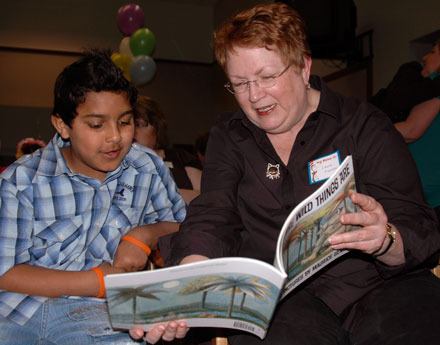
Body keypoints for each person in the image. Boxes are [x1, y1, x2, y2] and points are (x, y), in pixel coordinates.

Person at [131, 3, 440, 345]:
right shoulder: (231, 137)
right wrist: (190, 285)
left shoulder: (364, 126)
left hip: (379, 285)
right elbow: (213, 214)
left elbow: (418, 224)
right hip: (284, 300)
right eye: (240, 83)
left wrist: (386, 238)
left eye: (267, 77)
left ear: (303, 67)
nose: (254, 96)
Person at [0, 49, 186, 344]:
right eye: (97, 125)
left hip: (98, 313)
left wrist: (145, 235)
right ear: (63, 125)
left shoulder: (146, 168)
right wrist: (100, 281)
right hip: (17, 308)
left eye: (125, 122)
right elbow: (6, 272)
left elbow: (182, 227)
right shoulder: (22, 181)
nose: (115, 137)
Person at [394, 40, 440, 219]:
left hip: (432, 204)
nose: (424, 57)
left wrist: (368, 132)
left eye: (433, 52)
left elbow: (411, 130)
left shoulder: (435, 87)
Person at [134, 95, 202, 204]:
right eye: (126, 124)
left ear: (157, 127)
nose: (133, 132)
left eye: (138, 124)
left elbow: (208, 199)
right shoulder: (117, 163)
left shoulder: (180, 157)